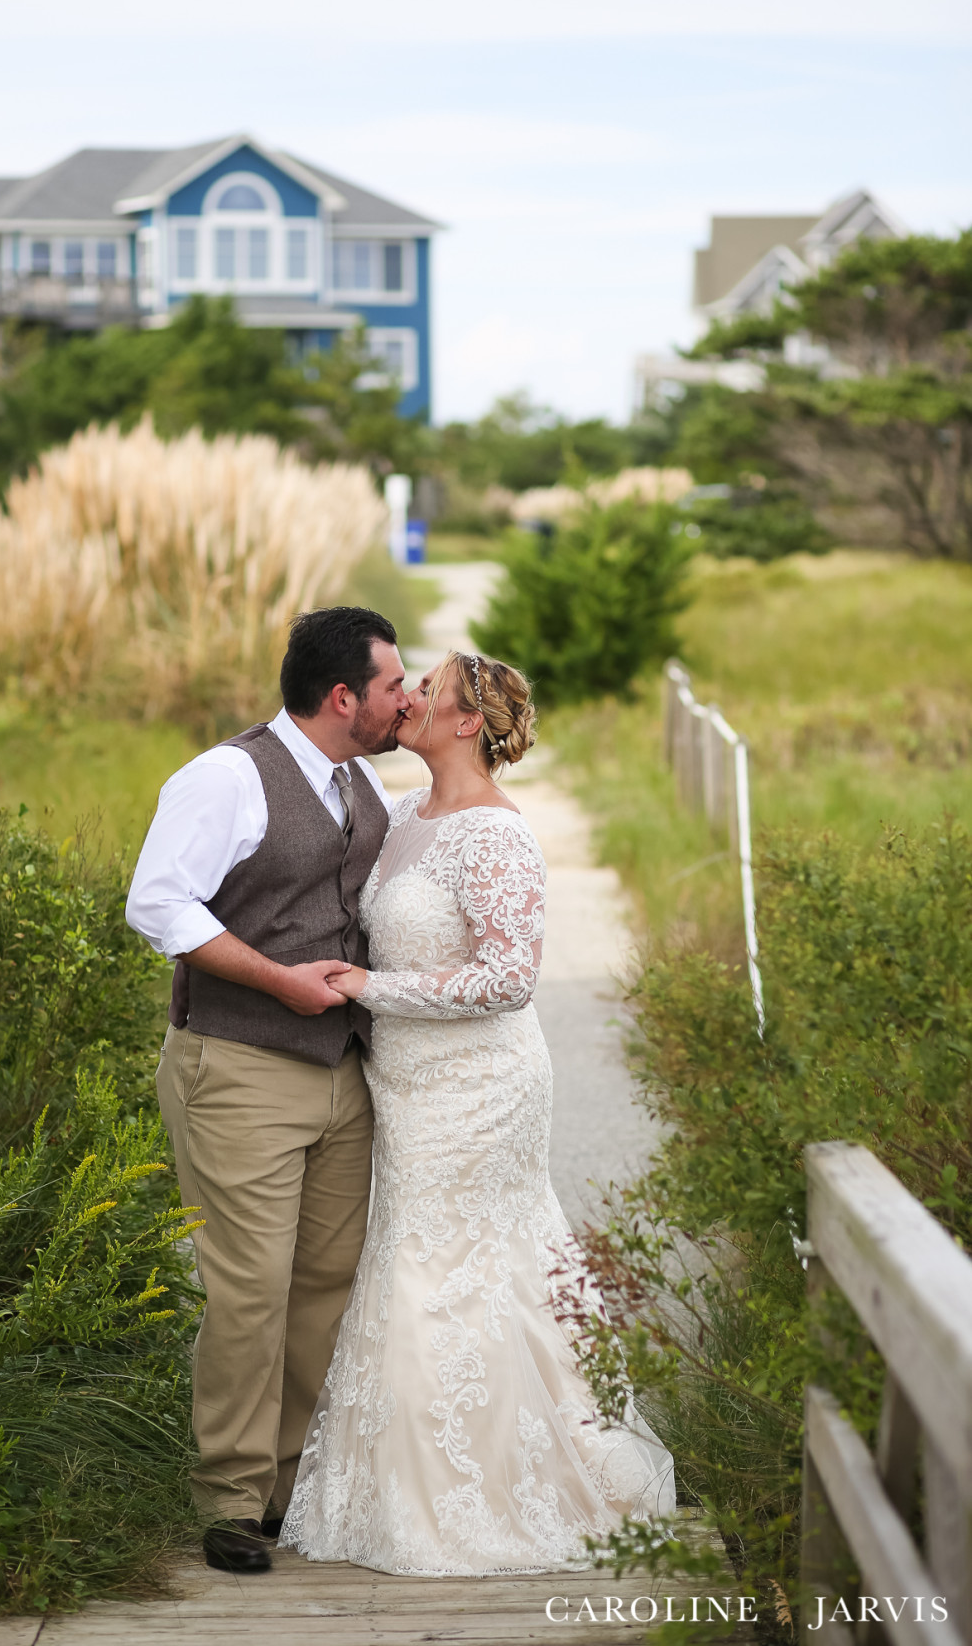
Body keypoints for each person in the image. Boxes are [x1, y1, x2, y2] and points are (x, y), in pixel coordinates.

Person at [281, 651, 676, 1575]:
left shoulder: (498, 836)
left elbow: (508, 978)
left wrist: (374, 988)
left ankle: (477, 1495)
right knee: (411, 1259)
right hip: (408, 1085)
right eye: (407, 683)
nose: (407, 696)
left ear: (466, 722)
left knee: (451, 1266)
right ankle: (394, 1484)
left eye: (427, 688)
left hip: (482, 1086)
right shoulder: (407, 816)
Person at [125, 606, 407, 1574]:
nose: (400, 699)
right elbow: (156, 900)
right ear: (342, 697)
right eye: (390, 685)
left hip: (342, 1073)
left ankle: (291, 1487)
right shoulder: (225, 776)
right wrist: (278, 981)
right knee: (248, 1289)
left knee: (325, 1287)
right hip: (240, 1065)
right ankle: (231, 1499)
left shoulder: (361, 778)